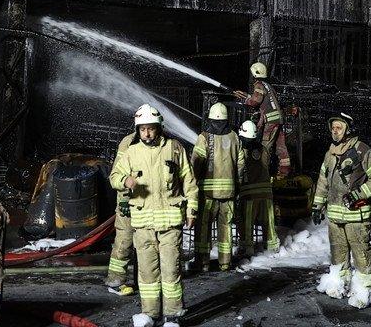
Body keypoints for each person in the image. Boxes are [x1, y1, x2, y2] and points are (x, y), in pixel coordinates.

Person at [109, 104, 198, 327]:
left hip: (170, 223)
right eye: (142, 129)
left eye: (150, 128)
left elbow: (190, 182)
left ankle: (173, 315)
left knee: (171, 270)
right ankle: (149, 313)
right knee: (147, 274)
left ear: (158, 127)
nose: (146, 133)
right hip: (143, 224)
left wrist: (191, 210)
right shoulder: (131, 152)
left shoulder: (175, 148)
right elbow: (114, 177)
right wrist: (124, 181)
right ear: (137, 130)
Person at [310, 111, 371, 309]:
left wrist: (359, 194)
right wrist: (317, 205)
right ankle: (338, 284)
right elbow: (323, 181)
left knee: (361, 254)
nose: (335, 131)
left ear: (348, 130)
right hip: (335, 216)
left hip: (357, 215)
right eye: (333, 128)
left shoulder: (362, 150)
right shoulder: (330, 153)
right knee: (338, 253)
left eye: (339, 128)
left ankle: (364, 291)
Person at [190, 103, 245, 272]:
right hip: (228, 193)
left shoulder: (204, 137)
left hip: (207, 194)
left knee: (203, 229)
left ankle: (203, 263)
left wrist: (193, 183)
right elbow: (241, 164)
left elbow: (196, 164)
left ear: (210, 118)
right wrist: (237, 185)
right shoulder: (235, 137)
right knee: (226, 228)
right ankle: (225, 262)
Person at [104, 111, 142, 296]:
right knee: (124, 241)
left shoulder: (161, 144)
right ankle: (115, 281)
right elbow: (118, 174)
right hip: (128, 203)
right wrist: (125, 199)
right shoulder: (128, 143)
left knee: (146, 244)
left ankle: (143, 280)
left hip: (147, 204)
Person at [233, 61, 291, 179]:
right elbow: (260, 98)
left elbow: (255, 101)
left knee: (265, 147)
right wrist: (245, 95)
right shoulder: (267, 86)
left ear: (254, 74)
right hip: (278, 120)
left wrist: (245, 101)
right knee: (281, 147)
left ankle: (263, 173)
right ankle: (284, 173)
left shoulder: (258, 85)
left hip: (270, 121)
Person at [237, 119, 279, 257]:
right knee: (269, 220)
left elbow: (240, 170)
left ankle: (247, 248)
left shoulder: (242, 150)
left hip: (249, 193)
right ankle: (272, 246)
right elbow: (269, 166)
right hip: (266, 192)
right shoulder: (263, 149)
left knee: (247, 221)